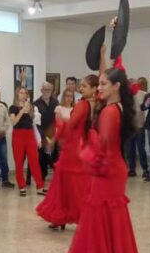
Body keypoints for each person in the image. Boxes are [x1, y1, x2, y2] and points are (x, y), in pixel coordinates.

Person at [56, 67, 146, 253]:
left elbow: (102, 146)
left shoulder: (109, 112)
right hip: (115, 169)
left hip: (106, 171)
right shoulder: (119, 108)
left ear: (116, 87)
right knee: (111, 221)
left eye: (104, 84)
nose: (100, 88)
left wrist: (84, 152)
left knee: (94, 223)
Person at [37, 76, 96, 230]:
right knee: (72, 184)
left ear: (93, 88)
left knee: (67, 184)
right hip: (78, 146)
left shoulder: (83, 104)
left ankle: (65, 217)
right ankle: (66, 217)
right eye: (80, 86)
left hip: (72, 148)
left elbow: (71, 124)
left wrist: (60, 124)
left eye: (84, 86)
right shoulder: (93, 104)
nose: (80, 89)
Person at [10, 87, 46, 197]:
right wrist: (21, 111)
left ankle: (40, 186)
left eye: (25, 93)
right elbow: (14, 123)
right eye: (21, 93)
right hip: (18, 135)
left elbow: (34, 124)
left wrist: (38, 139)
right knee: (19, 162)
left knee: (34, 161)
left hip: (30, 135)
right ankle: (22, 186)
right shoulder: (13, 107)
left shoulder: (32, 107)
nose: (23, 95)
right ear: (17, 94)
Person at [35, 81, 59, 180]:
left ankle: (57, 176)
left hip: (54, 132)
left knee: (57, 153)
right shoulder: (36, 103)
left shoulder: (55, 102)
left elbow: (57, 119)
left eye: (49, 89)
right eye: (45, 89)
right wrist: (44, 137)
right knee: (42, 155)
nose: (47, 91)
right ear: (41, 90)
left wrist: (54, 135)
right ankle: (42, 176)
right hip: (41, 133)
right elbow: (36, 123)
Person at [127, 77, 149, 178]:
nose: (131, 84)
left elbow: (146, 107)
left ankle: (145, 169)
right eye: (129, 83)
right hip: (129, 127)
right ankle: (132, 169)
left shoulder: (143, 94)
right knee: (130, 149)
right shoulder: (126, 95)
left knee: (141, 149)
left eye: (133, 82)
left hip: (140, 126)